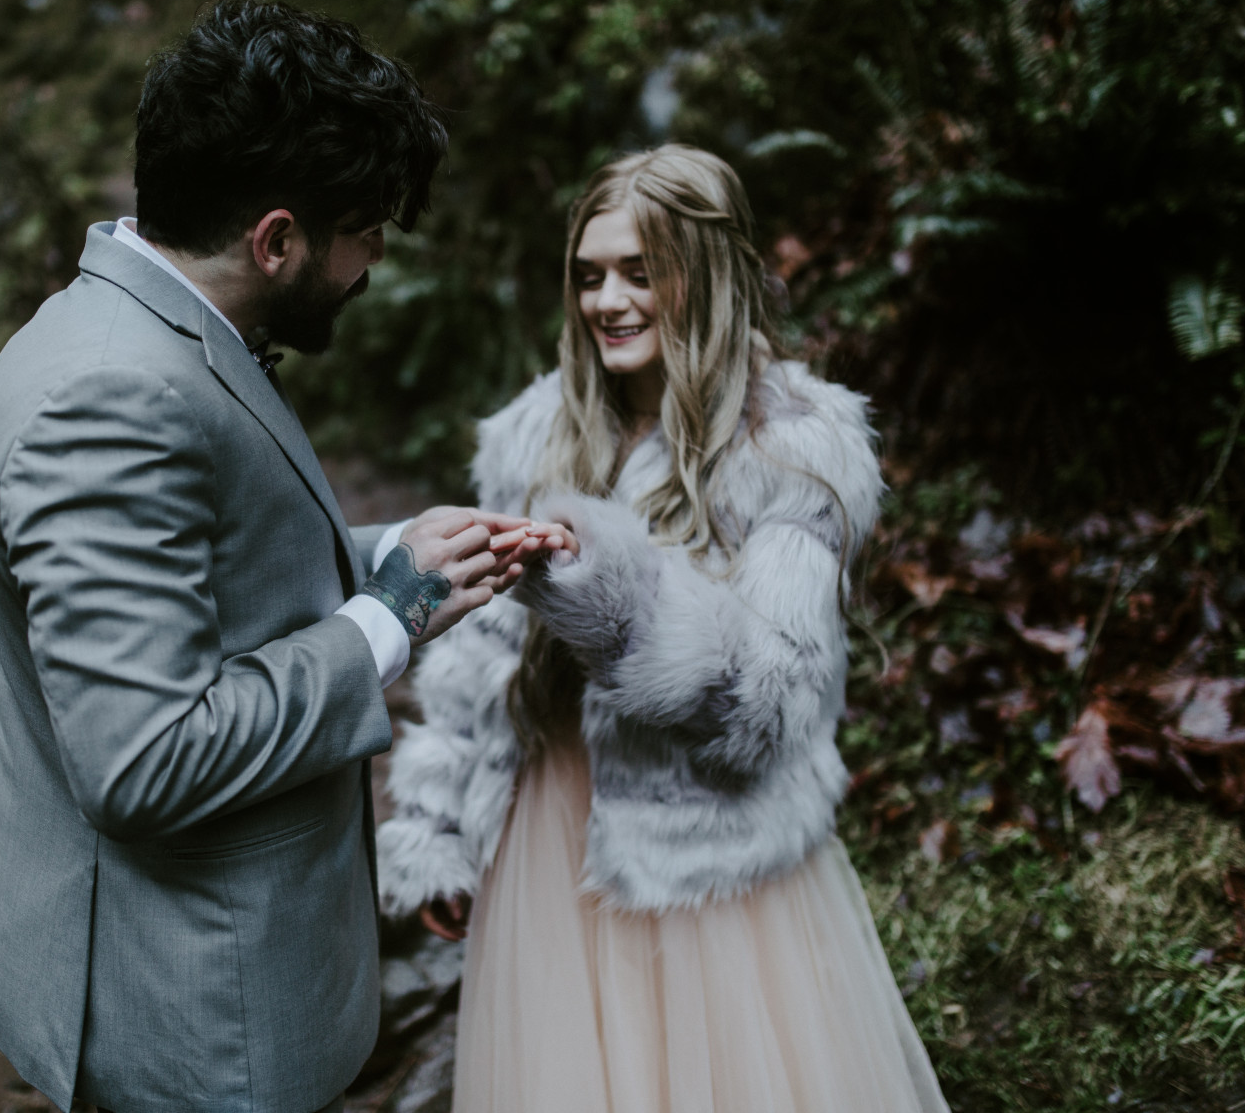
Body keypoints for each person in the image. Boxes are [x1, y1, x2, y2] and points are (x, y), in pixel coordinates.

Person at [0, 2, 570, 1113]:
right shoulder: (110, 399)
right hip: (198, 1016)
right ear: (276, 238)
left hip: (215, 983)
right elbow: (145, 759)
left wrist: (400, 552)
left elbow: (213, 568)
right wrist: (389, 615)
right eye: (367, 228)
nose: (376, 258)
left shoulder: (131, 328)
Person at [377, 145, 950, 1111]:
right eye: (591, 275)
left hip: (705, 862)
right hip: (547, 831)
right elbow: (481, 653)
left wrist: (616, 603)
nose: (609, 301)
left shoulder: (794, 449)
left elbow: (769, 711)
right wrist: (436, 828)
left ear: (709, 275)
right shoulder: (536, 431)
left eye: (643, 273)